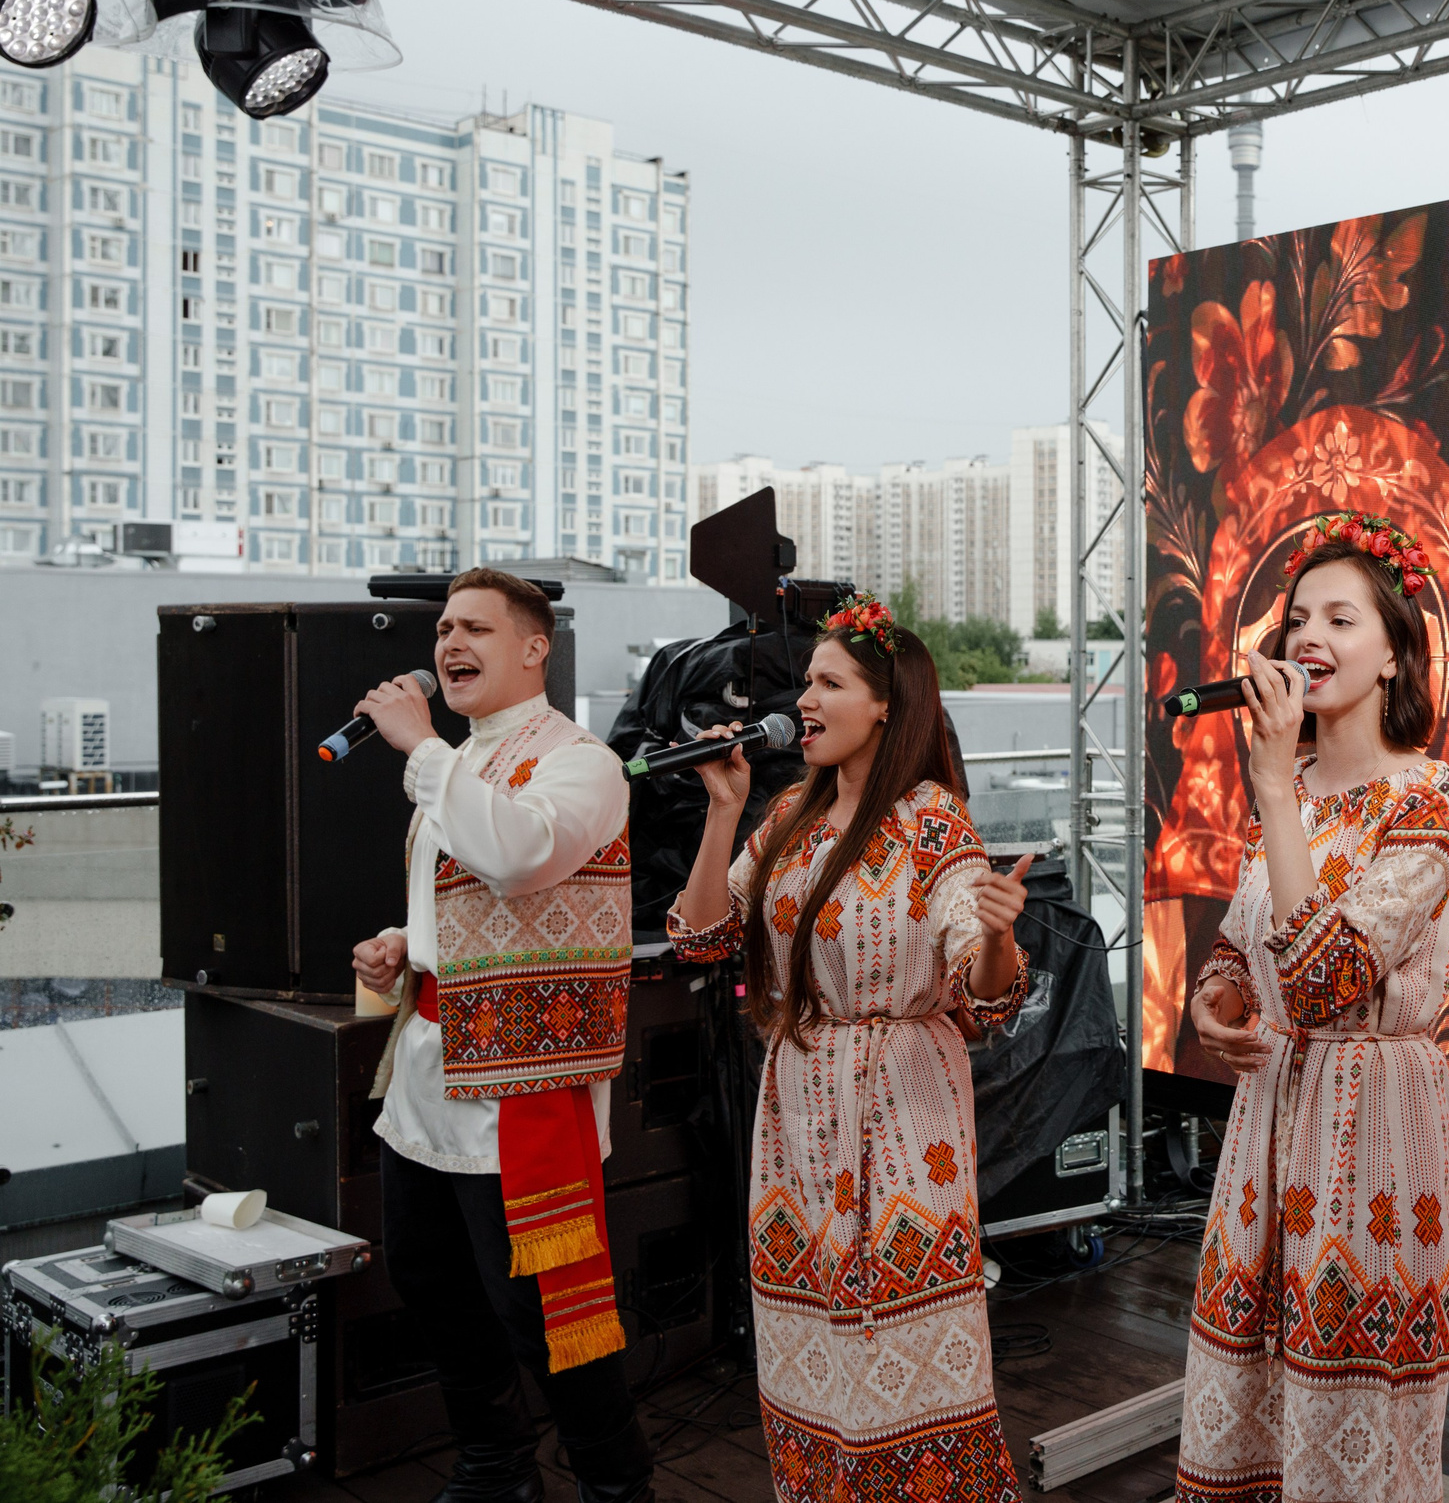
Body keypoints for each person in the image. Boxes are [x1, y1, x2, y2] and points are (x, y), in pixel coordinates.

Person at [664, 591, 1033, 1503]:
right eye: (807, 681)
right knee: (813, 1346)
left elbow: (984, 988)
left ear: (886, 705)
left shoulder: (930, 819)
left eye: (829, 682)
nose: (805, 699)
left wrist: (995, 934)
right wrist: (723, 811)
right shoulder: (791, 811)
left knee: (900, 1346)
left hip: (902, 1109)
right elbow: (702, 938)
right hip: (799, 1105)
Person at [1176, 510, 1449, 1503]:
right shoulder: (1292, 787)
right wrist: (1215, 999)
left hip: (1371, 1122)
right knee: (1251, 1376)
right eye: (1299, 618)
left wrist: (1270, 787)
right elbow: (1243, 942)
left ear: (1395, 655)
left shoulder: (1433, 800)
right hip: (1267, 1115)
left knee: (1346, 1374)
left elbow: (1322, 979)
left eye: (1342, 620)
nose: (1309, 637)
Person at [349, 568, 648, 1503]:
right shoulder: (462, 759)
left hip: (523, 1086)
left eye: (475, 627)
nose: (450, 644)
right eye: (444, 628)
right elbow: (469, 894)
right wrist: (405, 943)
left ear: (534, 647)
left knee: (544, 1312)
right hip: (430, 1068)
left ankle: (616, 1486)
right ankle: (495, 1463)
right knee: (431, 1280)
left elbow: (518, 855)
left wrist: (422, 746)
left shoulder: (580, 761)